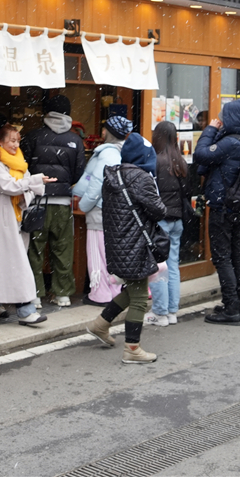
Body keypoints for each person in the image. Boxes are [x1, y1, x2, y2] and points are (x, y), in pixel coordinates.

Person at [85, 133, 167, 363]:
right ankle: (132, 349)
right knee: (140, 298)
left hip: (118, 244)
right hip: (136, 245)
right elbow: (159, 210)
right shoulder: (141, 178)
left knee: (133, 290)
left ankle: (100, 324)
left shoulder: (114, 175)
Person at [193, 98, 240, 325]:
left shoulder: (231, 143)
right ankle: (237, 304)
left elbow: (200, 155)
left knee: (222, 258)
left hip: (224, 207)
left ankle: (231, 308)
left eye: (223, 116)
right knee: (235, 256)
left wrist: (210, 129)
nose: (220, 119)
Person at [0, 124, 53, 325]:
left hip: (17, 218)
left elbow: (26, 188)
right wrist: (33, 182)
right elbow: (10, 187)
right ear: (0, 142)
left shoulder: (20, 163)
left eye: (17, 140)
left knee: (3, 263)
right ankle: (25, 309)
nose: (15, 144)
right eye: (12, 140)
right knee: (16, 264)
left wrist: (32, 184)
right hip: (1, 219)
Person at [22, 94, 86, 307]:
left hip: (37, 201)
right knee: (62, 248)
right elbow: (79, 173)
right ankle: (63, 294)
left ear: (46, 112)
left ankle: (35, 294)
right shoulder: (76, 140)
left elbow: (24, 169)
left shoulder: (33, 137)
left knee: (35, 249)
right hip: (62, 203)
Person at [73, 116, 132, 305]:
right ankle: (114, 291)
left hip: (99, 210)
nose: (103, 132)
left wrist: (83, 205)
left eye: (104, 128)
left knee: (97, 254)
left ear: (108, 132)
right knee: (109, 253)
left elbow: (97, 184)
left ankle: (100, 294)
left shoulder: (107, 154)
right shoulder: (122, 152)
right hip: (113, 210)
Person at [147, 121, 190, 326]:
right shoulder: (180, 161)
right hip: (177, 220)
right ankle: (172, 311)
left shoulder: (155, 161)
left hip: (160, 220)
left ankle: (160, 312)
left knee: (158, 267)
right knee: (172, 265)